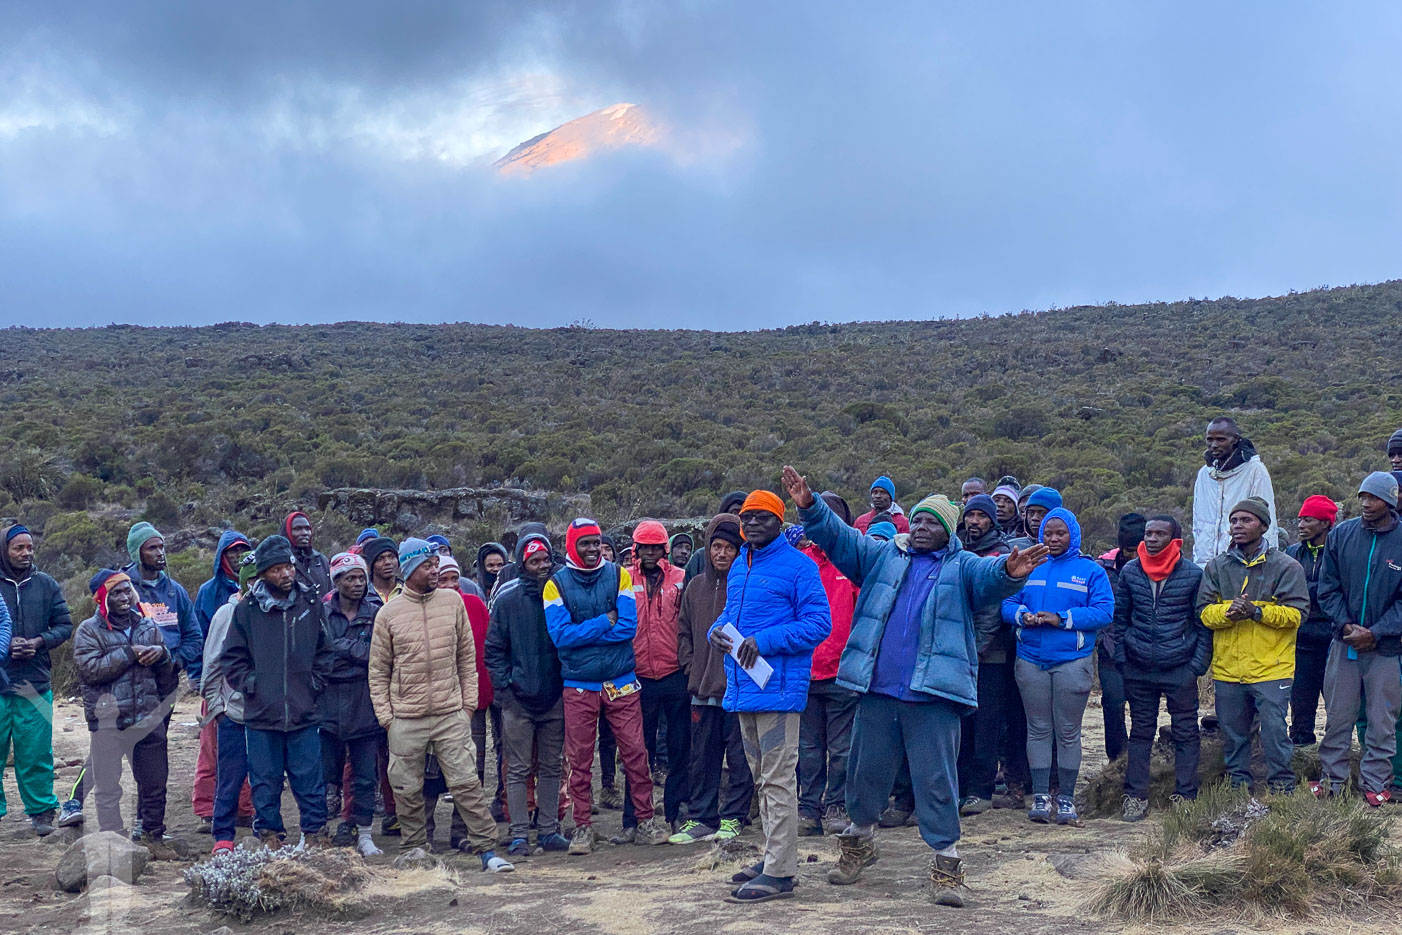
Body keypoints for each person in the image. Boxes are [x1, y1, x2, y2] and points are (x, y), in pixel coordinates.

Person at [789, 467, 1047, 907]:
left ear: (949, 531)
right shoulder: (884, 555)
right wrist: (810, 507)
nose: (924, 527)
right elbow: (841, 539)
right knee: (864, 773)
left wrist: (1010, 572)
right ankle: (858, 845)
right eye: (920, 519)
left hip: (934, 697)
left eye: (934, 523)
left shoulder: (962, 565)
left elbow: (990, 579)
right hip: (878, 689)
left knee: (936, 781)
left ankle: (946, 866)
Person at [705, 487, 830, 905]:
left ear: (780, 522)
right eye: (748, 517)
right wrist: (716, 631)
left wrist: (766, 640)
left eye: (763, 517)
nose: (754, 523)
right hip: (744, 688)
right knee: (764, 780)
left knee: (777, 780)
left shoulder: (799, 567)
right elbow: (731, 617)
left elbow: (818, 624)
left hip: (777, 690)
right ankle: (774, 856)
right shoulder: (741, 563)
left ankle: (780, 871)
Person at [369, 539, 512, 871]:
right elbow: (378, 671)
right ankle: (416, 849)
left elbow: (467, 658)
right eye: (427, 566)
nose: (435, 571)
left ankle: (487, 851)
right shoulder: (388, 614)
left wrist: (466, 707)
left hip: (451, 712)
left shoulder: (453, 602)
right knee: (406, 787)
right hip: (405, 715)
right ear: (408, 570)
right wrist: (388, 718)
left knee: (466, 783)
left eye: (436, 564)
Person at [543, 518, 669, 854]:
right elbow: (560, 637)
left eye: (596, 542)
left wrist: (584, 632)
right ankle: (582, 827)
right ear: (572, 546)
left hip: (621, 680)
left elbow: (627, 626)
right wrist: (603, 621)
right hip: (579, 684)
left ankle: (645, 820)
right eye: (584, 543)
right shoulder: (555, 584)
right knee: (580, 759)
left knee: (636, 753)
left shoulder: (619, 575)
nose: (592, 549)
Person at [221, 535, 334, 849]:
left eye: (289, 567)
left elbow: (326, 652)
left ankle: (314, 835)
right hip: (261, 715)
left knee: (310, 780)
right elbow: (232, 657)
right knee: (265, 783)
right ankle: (269, 836)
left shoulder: (311, 604)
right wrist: (254, 686)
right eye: (277, 569)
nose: (286, 574)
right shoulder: (247, 610)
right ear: (263, 574)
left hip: (304, 712)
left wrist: (314, 685)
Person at [1003, 506, 1114, 825]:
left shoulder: (1090, 571)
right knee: (1037, 729)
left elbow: (1105, 611)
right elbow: (1007, 603)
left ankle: (1065, 799)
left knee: (1067, 732)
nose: (1052, 538)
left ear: (1073, 535)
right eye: (1047, 533)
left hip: (1071, 662)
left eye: (1059, 533)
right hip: (1030, 660)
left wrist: (1063, 619)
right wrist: (1021, 616)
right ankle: (1040, 797)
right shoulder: (1030, 566)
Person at [1195, 497, 1308, 793]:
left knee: (1274, 734)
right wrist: (1227, 613)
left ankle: (1282, 791)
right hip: (1228, 669)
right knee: (1233, 736)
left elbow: (1297, 614)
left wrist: (1256, 612)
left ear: (1264, 526)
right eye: (1234, 521)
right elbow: (1204, 612)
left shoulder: (1286, 567)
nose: (1237, 526)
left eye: (1246, 520)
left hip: (1272, 668)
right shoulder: (1217, 567)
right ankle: (1237, 791)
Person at [73, 570, 180, 857]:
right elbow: (90, 670)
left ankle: (153, 837)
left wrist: (161, 654)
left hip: (147, 717)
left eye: (126, 591)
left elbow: (166, 671)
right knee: (108, 788)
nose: (123, 597)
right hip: (107, 721)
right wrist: (130, 654)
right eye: (116, 593)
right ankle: (113, 842)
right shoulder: (87, 630)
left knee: (154, 783)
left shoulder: (147, 626)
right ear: (102, 598)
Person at [1112, 516, 1209, 821]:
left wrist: (1195, 666)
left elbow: (1202, 624)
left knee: (1185, 731)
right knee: (1140, 732)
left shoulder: (1193, 574)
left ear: (1174, 538)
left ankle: (1186, 795)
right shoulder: (1130, 571)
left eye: (1159, 534)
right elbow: (1119, 619)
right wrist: (1123, 659)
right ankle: (1135, 796)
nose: (1151, 539)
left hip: (1179, 667)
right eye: (1148, 533)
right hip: (1138, 666)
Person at [1314, 473, 1402, 805]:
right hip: (1344, 644)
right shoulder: (1342, 534)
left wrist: (1376, 632)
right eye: (1362, 496)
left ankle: (1376, 783)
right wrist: (1346, 626)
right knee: (1337, 715)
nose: (1366, 503)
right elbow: (1328, 587)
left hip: (1386, 649)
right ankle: (1332, 781)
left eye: (1374, 498)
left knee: (1382, 719)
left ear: (1390, 501)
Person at [670, 513, 754, 845]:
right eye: (716, 546)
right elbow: (683, 632)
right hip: (701, 691)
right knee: (702, 756)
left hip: (738, 690)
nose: (721, 553)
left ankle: (733, 818)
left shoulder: (747, 584)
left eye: (729, 548)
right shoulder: (695, 587)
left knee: (739, 758)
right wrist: (691, 666)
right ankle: (701, 818)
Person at [485, 532, 570, 857]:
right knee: (517, 769)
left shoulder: (562, 595)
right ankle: (519, 833)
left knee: (551, 767)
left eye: (546, 560)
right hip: (517, 701)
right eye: (534, 561)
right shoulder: (507, 600)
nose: (542, 566)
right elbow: (493, 649)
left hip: (554, 698)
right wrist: (506, 686)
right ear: (523, 563)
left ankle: (548, 831)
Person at [2, 523, 74, 836]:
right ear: (4, 551)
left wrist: (38, 642)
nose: (26, 553)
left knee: (36, 752)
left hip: (35, 683)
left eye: (29, 547)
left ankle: (42, 812)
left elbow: (65, 625)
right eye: (18, 547)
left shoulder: (46, 585)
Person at [622, 520, 691, 838]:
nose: (650, 552)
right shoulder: (622, 580)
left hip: (675, 674)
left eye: (655, 546)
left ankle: (677, 812)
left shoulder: (681, 578)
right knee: (637, 750)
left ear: (664, 548)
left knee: (679, 747)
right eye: (644, 546)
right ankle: (633, 819)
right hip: (638, 677)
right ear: (636, 548)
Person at [798, 500, 861, 836]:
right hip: (805, 672)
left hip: (842, 672)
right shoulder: (801, 563)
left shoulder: (851, 564)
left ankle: (836, 805)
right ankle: (808, 808)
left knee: (841, 749)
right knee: (808, 750)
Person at [321, 553, 385, 856]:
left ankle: (364, 832)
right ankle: (322, 829)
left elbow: (380, 655)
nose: (358, 583)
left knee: (364, 775)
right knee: (325, 773)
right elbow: (319, 657)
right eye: (351, 578)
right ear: (337, 581)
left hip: (365, 700)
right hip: (326, 703)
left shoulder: (377, 612)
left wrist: (341, 648)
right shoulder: (320, 613)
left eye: (361, 577)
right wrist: (356, 652)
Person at [955, 494, 1014, 816]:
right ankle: (960, 787)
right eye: (970, 515)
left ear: (991, 520)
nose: (974, 521)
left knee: (986, 724)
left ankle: (981, 790)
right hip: (955, 652)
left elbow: (993, 607)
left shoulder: (1001, 553)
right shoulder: (954, 549)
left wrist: (974, 646)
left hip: (990, 655)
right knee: (959, 725)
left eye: (981, 515)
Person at [190, 529, 252, 834]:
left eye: (243, 552)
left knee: (246, 753)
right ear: (221, 556)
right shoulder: (210, 593)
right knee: (212, 750)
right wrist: (201, 679)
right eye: (232, 552)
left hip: (247, 688)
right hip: (219, 685)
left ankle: (244, 809)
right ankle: (207, 809)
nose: (237, 558)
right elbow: (202, 635)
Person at [201, 553, 258, 854]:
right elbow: (212, 662)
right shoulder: (228, 613)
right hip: (233, 710)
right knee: (230, 774)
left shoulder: (275, 611)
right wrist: (217, 708)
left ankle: (265, 828)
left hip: (267, 711)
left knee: (265, 774)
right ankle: (222, 833)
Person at [1286, 495, 1340, 746]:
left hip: (1334, 639)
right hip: (1300, 639)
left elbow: (1342, 591)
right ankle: (1301, 758)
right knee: (1301, 706)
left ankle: (1337, 762)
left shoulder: (1341, 550)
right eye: (1300, 519)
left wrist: (1307, 590)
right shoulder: (1292, 553)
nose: (1301, 525)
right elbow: (1285, 591)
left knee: (1338, 708)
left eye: (1308, 520)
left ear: (1325, 523)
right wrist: (1321, 590)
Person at [1192, 417, 1281, 565]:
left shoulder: (1255, 470)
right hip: (1205, 565)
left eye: (1221, 439)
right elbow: (1198, 523)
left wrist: (1266, 565)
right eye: (1210, 440)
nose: (1214, 445)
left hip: (1243, 564)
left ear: (1235, 439)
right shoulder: (1204, 474)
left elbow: (1267, 520)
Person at [122, 522, 203, 680]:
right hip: (130, 678)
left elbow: (194, 635)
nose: (160, 553)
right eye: (152, 548)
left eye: (161, 547)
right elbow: (107, 636)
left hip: (167, 678)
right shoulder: (120, 590)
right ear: (137, 554)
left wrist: (176, 662)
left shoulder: (176, 591)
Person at [1096, 512, 1144, 764]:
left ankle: (1138, 757)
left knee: (1141, 708)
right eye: (1127, 550)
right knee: (1113, 704)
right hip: (1110, 650)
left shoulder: (1155, 567)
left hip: (1142, 651)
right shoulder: (1102, 567)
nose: (1132, 556)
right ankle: (1117, 758)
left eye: (1137, 550)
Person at [685, 492, 749, 585]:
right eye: (734, 513)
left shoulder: (755, 558)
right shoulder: (700, 558)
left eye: (744, 515)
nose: (738, 520)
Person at [284, 511, 333, 597]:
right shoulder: (281, 562)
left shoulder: (321, 560)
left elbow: (330, 592)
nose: (304, 533)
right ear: (287, 532)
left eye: (307, 529)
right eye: (297, 529)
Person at [362, 536, 401, 605]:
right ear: (370, 565)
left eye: (391, 557)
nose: (387, 562)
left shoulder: (409, 592)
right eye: (380, 559)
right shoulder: (362, 595)